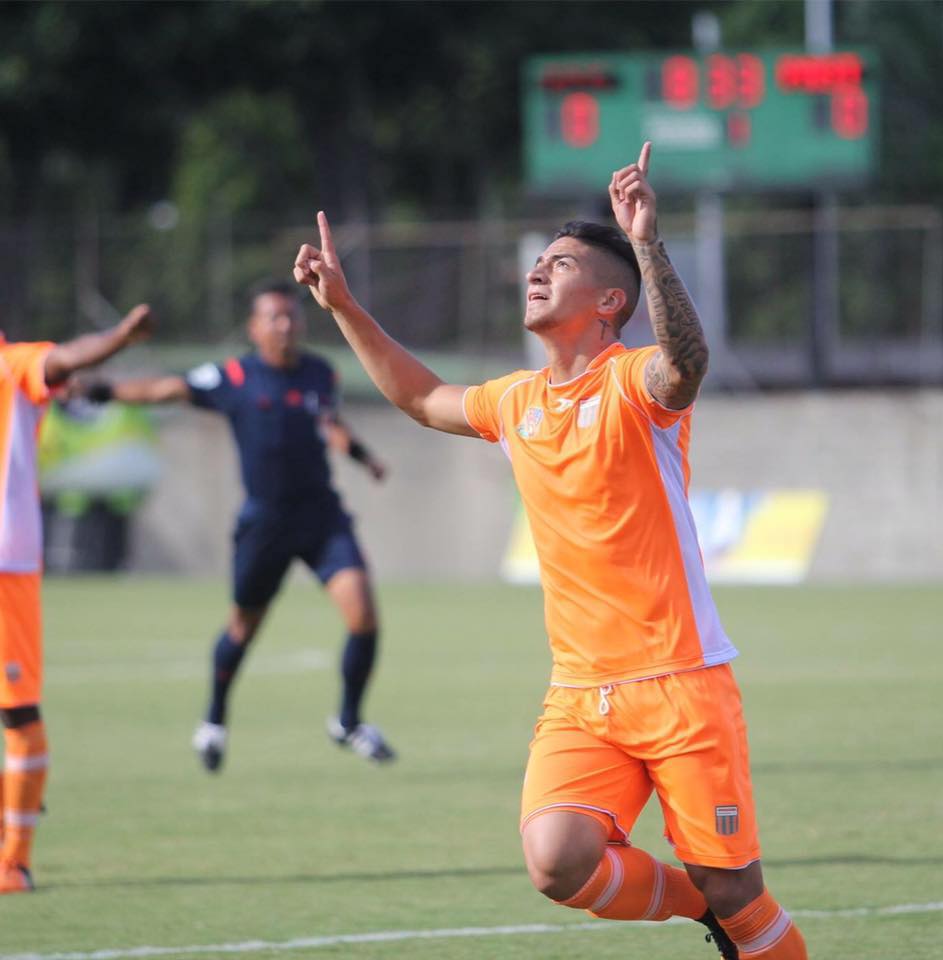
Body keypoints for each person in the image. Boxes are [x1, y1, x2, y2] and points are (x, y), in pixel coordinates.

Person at [291, 143, 808, 960]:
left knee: (738, 888)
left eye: (559, 264)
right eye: (537, 263)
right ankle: (702, 911)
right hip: (580, 692)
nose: (537, 272)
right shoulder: (515, 399)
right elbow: (423, 397)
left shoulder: (635, 382)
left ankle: (724, 908)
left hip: (680, 683)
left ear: (609, 301)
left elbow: (688, 365)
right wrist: (345, 308)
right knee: (557, 861)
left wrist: (645, 241)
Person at [84, 280, 394, 773]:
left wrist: (365, 459)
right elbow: (169, 388)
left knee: (363, 616)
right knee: (242, 629)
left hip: (321, 517)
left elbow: (330, 424)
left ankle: (349, 721)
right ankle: (213, 721)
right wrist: (104, 391)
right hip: (265, 524)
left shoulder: (319, 373)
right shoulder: (232, 376)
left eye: (291, 316)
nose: (285, 325)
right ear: (253, 327)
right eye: (273, 317)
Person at [0, 304, 153, 894]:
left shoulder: (13, 366)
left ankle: (14, 858)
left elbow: (64, 358)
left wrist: (117, 339)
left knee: (17, 712)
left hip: (6, 568)